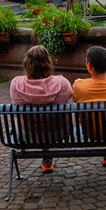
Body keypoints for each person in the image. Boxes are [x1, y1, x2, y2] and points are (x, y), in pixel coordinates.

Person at [9, 45, 72, 173]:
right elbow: (70, 96)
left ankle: (46, 158)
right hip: (59, 133)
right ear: (48, 62)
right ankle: (47, 158)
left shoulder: (16, 84)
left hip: (28, 134)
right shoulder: (62, 83)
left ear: (27, 63)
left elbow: (15, 107)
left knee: (19, 121)